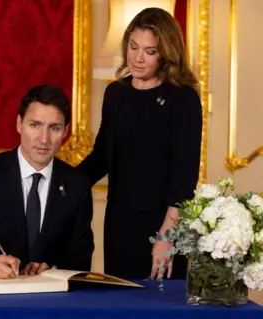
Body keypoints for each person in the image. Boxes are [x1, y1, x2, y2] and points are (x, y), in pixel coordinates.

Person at [77, 7, 202, 280]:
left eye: (150, 51)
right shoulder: (116, 93)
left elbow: (184, 179)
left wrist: (166, 237)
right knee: (120, 303)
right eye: (133, 47)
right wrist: (60, 183)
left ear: (166, 54)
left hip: (164, 225)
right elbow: (102, 157)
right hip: (119, 224)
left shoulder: (183, 99)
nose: (137, 58)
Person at [0, 85, 94, 279]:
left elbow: (81, 256)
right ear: (19, 124)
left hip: (52, 301)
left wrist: (54, 269)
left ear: (65, 132)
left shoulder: (77, 184)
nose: (44, 139)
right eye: (35, 125)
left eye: (54, 128)